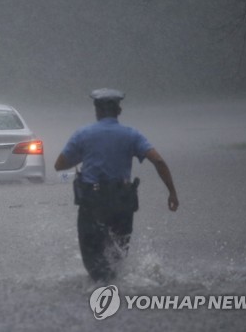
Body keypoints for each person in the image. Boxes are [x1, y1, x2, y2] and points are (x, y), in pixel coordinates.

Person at [54, 88, 179, 281]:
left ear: (96, 111)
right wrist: (172, 193)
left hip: (92, 203)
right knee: (117, 257)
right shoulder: (132, 135)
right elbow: (159, 162)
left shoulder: (83, 134)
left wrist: (83, 156)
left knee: (93, 261)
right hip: (122, 203)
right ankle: (116, 290)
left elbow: (59, 165)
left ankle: (98, 294)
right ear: (118, 111)